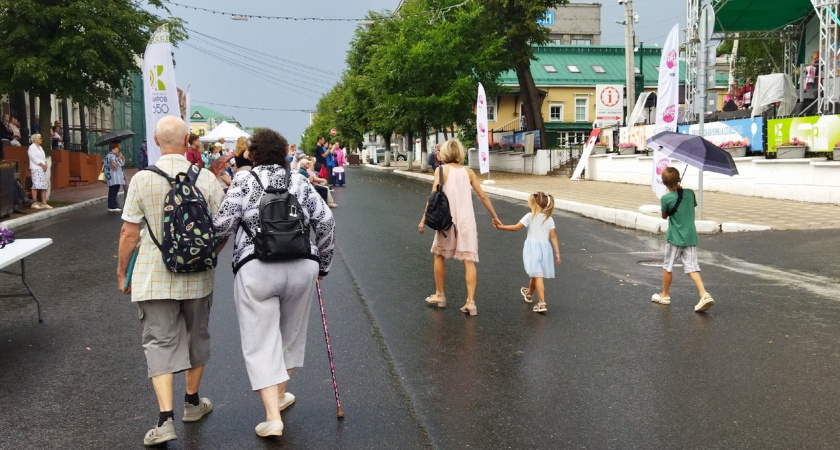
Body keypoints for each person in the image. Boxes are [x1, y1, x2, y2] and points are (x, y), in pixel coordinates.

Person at [213, 129, 335, 438]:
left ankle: (272, 416)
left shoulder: (243, 181)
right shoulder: (298, 180)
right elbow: (325, 222)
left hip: (256, 266)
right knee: (291, 336)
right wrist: (323, 264)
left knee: (260, 340)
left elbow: (222, 226)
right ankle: (279, 395)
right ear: (283, 154)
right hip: (301, 264)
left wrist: (213, 253)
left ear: (252, 155)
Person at [116, 116, 223, 446]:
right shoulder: (206, 179)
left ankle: (165, 419)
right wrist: (206, 254)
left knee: (159, 341)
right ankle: (192, 403)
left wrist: (123, 273)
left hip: (153, 275)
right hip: (198, 276)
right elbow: (221, 228)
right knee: (197, 336)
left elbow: (129, 232)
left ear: (156, 140)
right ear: (189, 139)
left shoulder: (142, 180)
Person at [417, 138, 501, 316]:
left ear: (445, 153)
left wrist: (423, 220)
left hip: (447, 222)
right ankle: (471, 303)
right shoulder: (469, 172)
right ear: (460, 153)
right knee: (468, 261)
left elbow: (433, 199)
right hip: (466, 223)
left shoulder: (441, 171)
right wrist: (495, 217)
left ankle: (440, 295)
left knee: (439, 255)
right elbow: (483, 196)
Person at [651, 167, 715, 313]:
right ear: (679, 179)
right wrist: (681, 190)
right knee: (692, 267)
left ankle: (665, 295)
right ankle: (704, 294)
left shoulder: (666, 198)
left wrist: (673, 193)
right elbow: (690, 206)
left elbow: (664, 216)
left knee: (668, 266)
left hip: (674, 237)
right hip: (690, 236)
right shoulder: (690, 193)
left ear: (663, 182)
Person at [494, 192, 562, 313]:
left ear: (534, 204)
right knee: (535, 274)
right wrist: (557, 252)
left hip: (533, 249)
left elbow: (516, 227)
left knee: (538, 276)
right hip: (545, 250)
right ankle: (529, 294)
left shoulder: (530, 216)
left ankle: (542, 303)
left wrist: (501, 227)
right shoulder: (549, 218)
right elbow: (553, 236)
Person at [26, 134, 51, 209]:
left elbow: (43, 158)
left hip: (42, 169)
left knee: (43, 185)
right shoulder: (31, 148)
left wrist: (45, 164)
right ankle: (34, 203)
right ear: (35, 139)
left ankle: (44, 203)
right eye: (39, 138)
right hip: (36, 168)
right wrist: (41, 164)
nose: (41, 140)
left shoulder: (40, 148)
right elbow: (34, 158)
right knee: (36, 185)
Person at [104, 141, 126, 212]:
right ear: (112, 149)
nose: (118, 149)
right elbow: (114, 163)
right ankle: (111, 206)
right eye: (116, 148)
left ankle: (113, 204)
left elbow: (121, 164)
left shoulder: (111, 155)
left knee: (114, 190)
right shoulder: (111, 155)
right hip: (114, 176)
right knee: (113, 190)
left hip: (114, 176)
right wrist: (117, 161)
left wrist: (121, 158)